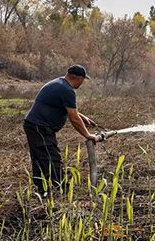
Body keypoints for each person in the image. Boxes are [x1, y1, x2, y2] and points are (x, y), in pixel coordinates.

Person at [23, 65, 99, 197]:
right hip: (40, 127)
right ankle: (61, 189)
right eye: (83, 80)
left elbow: (70, 110)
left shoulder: (59, 83)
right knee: (51, 158)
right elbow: (74, 119)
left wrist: (84, 118)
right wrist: (88, 135)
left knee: (40, 158)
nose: (82, 83)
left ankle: (43, 190)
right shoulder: (66, 90)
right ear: (78, 78)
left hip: (34, 125)